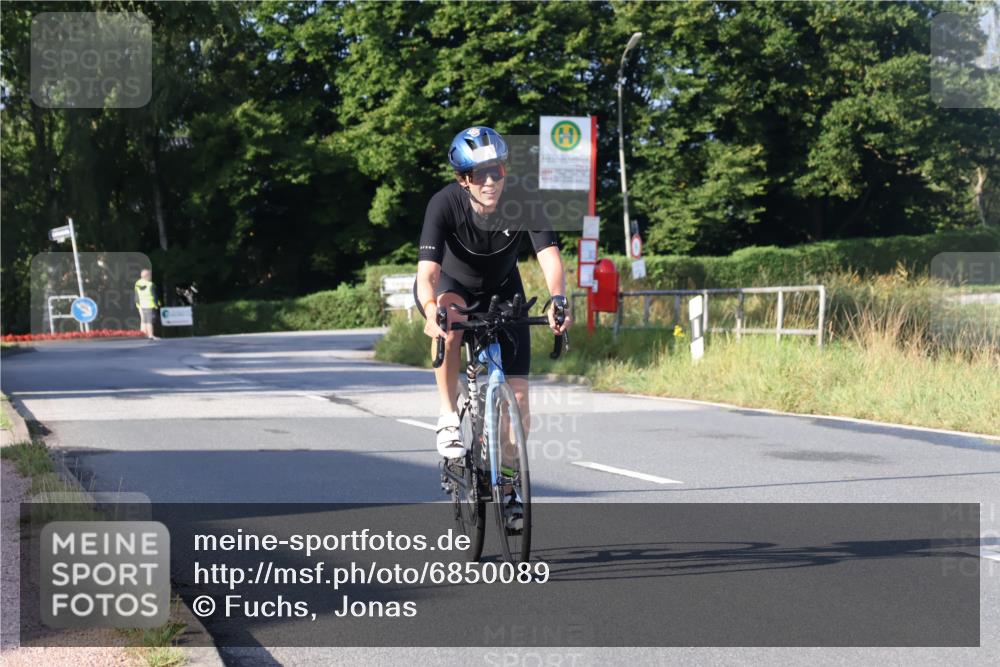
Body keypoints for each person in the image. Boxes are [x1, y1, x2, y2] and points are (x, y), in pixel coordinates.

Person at [413, 126, 572, 465]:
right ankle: (448, 417)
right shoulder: (444, 204)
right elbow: (427, 274)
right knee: (449, 318)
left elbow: (549, 255)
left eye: (496, 171)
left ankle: (511, 483)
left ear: (504, 170)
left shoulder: (524, 197)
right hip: (454, 287)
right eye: (479, 174)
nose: (489, 182)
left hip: (503, 289)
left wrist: (558, 299)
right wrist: (429, 310)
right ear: (463, 179)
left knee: (519, 396)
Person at [134, 269, 160, 339]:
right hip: (149, 305)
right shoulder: (150, 284)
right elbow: (154, 296)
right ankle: (150, 335)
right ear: (147, 276)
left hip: (140, 305)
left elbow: (136, 295)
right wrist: (156, 304)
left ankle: (143, 335)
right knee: (149, 321)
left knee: (143, 320)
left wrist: (137, 303)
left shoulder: (137, 283)